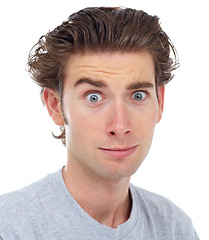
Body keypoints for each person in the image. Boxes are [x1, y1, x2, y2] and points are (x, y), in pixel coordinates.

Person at [0, 7, 199, 240]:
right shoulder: (11, 228)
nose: (120, 125)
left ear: (160, 101)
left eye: (138, 95)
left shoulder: (175, 228)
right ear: (55, 106)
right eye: (93, 97)